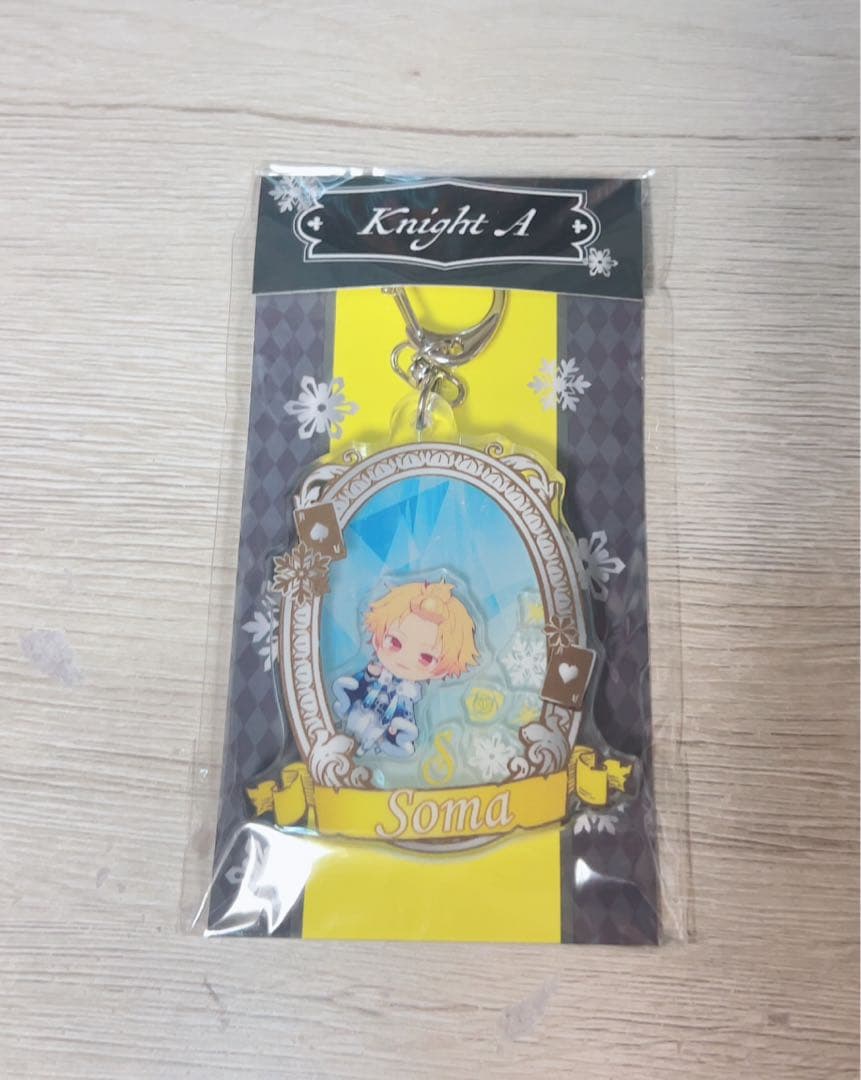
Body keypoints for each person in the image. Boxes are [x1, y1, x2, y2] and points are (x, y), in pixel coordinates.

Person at [332, 580, 478, 758]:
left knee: (372, 741)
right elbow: (359, 684)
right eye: (394, 641)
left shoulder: (407, 693)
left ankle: (361, 750)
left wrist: (397, 728)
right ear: (378, 636)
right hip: (358, 709)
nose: (405, 659)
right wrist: (369, 674)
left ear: (441, 670)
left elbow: (405, 715)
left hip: (381, 727)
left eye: (426, 658)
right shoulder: (378, 673)